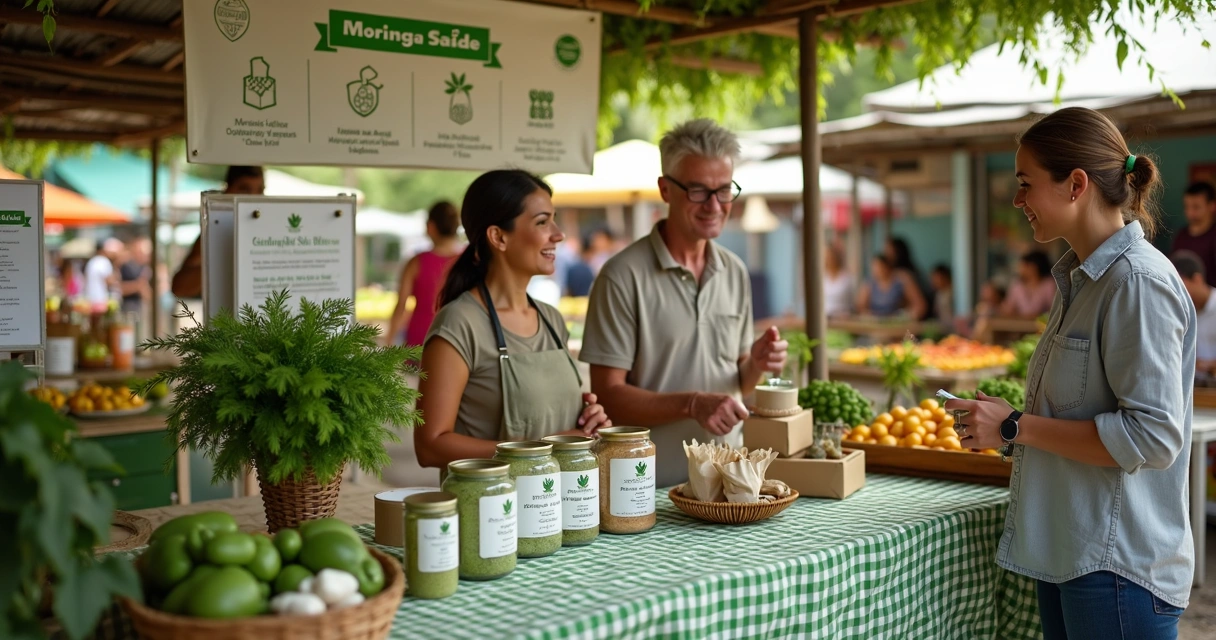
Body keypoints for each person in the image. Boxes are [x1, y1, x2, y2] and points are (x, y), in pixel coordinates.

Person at [944, 106, 1194, 639]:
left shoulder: (1136, 283)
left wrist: (1016, 426)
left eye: (1025, 184)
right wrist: (1004, 423)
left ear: (1076, 184)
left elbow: (1152, 437)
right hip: (1074, 556)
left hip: (1119, 571)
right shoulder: (1082, 280)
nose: (1017, 201)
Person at [578, 119, 788, 488]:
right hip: (645, 490)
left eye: (724, 191)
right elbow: (608, 396)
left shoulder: (734, 271)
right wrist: (692, 404)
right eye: (698, 191)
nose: (714, 205)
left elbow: (738, 380)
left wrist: (755, 363)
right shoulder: (621, 276)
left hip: (730, 486)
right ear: (665, 190)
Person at [413, 170, 610, 469]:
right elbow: (430, 446)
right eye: (542, 222)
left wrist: (586, 420)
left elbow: (552, 421)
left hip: (558, 507)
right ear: (498, 237)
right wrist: (546, 449)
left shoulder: (552, 321)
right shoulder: (459, 324)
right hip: (491, 510)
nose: (558, 234)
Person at [171, 166, 265, 299]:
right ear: (228, 190)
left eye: (260, 191)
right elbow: (180, 288)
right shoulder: (214, 232)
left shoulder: (268, 229)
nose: (254, 198)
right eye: (245, 189)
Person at [386, 201, 463, 348]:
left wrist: (389, 340)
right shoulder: (470, 261)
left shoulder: (416, 262)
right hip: (458, 336)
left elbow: (401, 305)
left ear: (431, 227)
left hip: (420, 337)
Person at [1170, 250, 1216, 375]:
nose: (1178, 293)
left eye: (1181, 286)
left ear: (1197, 279)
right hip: (1194, 390)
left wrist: (1207, 365)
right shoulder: (1178, 312)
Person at [1170, 181, 1216, 286]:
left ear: (1212, 206)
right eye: (1187, 207)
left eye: (1196, 207)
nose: (1190, 213)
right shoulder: (1181, 236)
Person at [856, 255, 926, 319]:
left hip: (898, 322)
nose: (877, 270)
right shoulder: (869, 283)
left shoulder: (902, 279)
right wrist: (867, 315)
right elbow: (860, 306)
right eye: (874, 267)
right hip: (875, 322)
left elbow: (920, 306)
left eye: (880, 267)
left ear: (888, 266)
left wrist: (908, 316)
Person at [1000, 251, 1056, 319]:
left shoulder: (1049, 284)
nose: (1019, 269)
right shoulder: (1017, 286)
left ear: (1033, 267)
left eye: (1023, 266)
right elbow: (1009, 307)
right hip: (1020, 326)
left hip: (1043, 326)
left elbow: (1054, 310)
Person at [84, 239, 121, 313]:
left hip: (90, 298)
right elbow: (109, 281)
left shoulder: (91, 262)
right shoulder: (103, 261)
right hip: (101, 299)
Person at [119, 238, 152, 315]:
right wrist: (138, 285)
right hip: (129, 306)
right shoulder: (126, 266)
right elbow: (121, 288)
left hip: (140, 306)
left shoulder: (143, 267)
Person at [822, 244, 854, 318]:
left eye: (832, 257)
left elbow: (850, 302)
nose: (830, 259)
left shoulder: (846, 278)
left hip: (842, 318)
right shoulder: (822, 277)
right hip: (824, 317)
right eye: (828, 257)